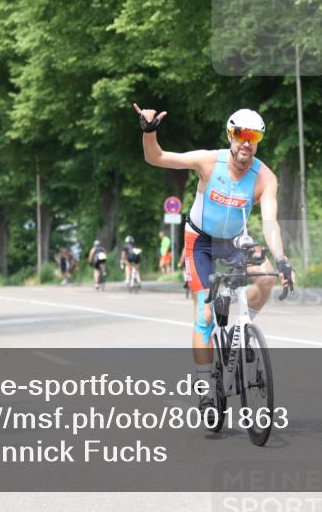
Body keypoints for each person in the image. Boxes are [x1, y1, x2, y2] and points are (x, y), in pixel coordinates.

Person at [134, 103, 294, 413]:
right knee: (205, 316)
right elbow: (157, 157)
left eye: (254, 137)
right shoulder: (209, 162)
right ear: (230, 135)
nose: (246, 142)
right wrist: (149, 131)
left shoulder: (265, 177)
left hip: (234, 240)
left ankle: (243, 329)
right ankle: (206, 387)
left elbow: (270, 222)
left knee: (265, 276)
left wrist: (282, 259)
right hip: (200, 241)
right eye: (241, 134)